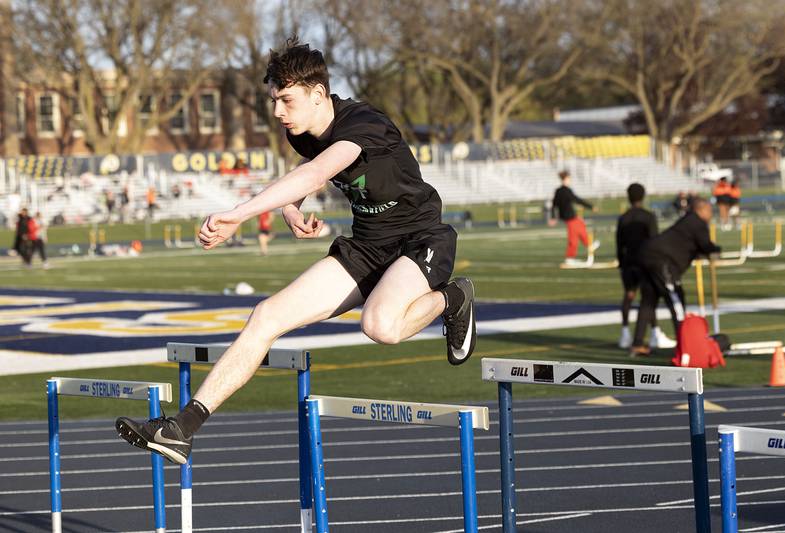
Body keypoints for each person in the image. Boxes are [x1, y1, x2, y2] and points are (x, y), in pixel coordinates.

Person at [115, 37, 477, 465]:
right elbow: (306, 177)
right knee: (266, 315)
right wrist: (290, 207)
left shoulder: (364, 123)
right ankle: (182, 428)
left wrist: (238, 214)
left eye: (286, 100)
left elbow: (320, 171)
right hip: (366, 247)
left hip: (419, 240)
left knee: (381, 326)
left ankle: (455, 297)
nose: (277, 112)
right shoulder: (305, 133)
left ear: (319, 93)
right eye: (274, 100)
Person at [629, 198, 721, 357]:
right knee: (676, 299)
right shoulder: (697, 222)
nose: (711, 214)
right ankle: (685, 345)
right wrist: (716, 251)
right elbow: (705, 245)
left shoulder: (688, 220)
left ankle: (637, 344)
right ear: (702, 209)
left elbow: (693, 245)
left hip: (648, 255)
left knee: (648, 301)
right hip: (662, 260)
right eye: (709, 210)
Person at [615, 183, 674, 350]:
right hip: (644, 262)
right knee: (648, 298)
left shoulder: (623, 217)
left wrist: (621, 262)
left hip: (628, 262)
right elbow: (654, 240)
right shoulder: (648, 216)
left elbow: (619, 244)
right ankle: (655, 332)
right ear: (643, 196)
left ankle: (625, 333)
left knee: (629, 295)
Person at [548, 170, 598, 264]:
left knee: (580, 226)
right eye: (569, 178)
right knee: (573, 238)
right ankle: (571, 257)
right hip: (569, 217)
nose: (570, 180)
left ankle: (588, 245)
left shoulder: (558, 191)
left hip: (568, 217)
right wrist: (591, 207)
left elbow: (554, 205)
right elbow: (577, 200)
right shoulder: (566, 191)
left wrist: (553, 217)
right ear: (566, 179)